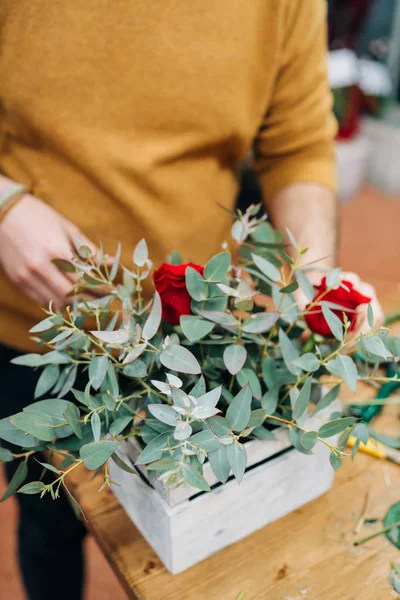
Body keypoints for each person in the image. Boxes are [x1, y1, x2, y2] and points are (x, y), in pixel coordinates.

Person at [0, 1, 383, 599]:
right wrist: (3, 206)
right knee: (52, 519)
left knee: (202, 534)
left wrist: (314, 286)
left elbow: (298, 141)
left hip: (197, 331)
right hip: (42, 321)